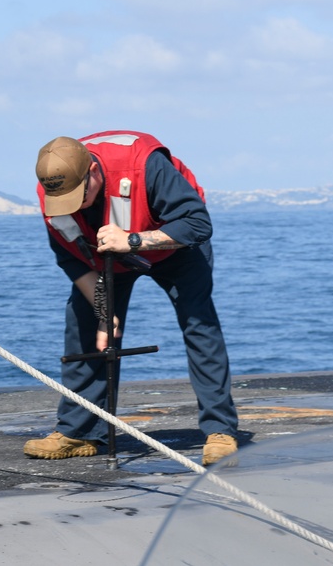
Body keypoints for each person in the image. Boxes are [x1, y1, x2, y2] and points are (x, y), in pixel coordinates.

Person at [25, 131, 239, 466]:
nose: (74, 206)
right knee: (86, 327)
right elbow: (69, 257)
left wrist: (135, 241)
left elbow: (197, 224)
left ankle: (220, 431)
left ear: (93, 172)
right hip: (103, 257)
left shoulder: (146, 165)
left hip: (171, 245)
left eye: (78, 196)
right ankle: (80, 432)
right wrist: (103, 311)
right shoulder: (52, 186)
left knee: (200, 325)